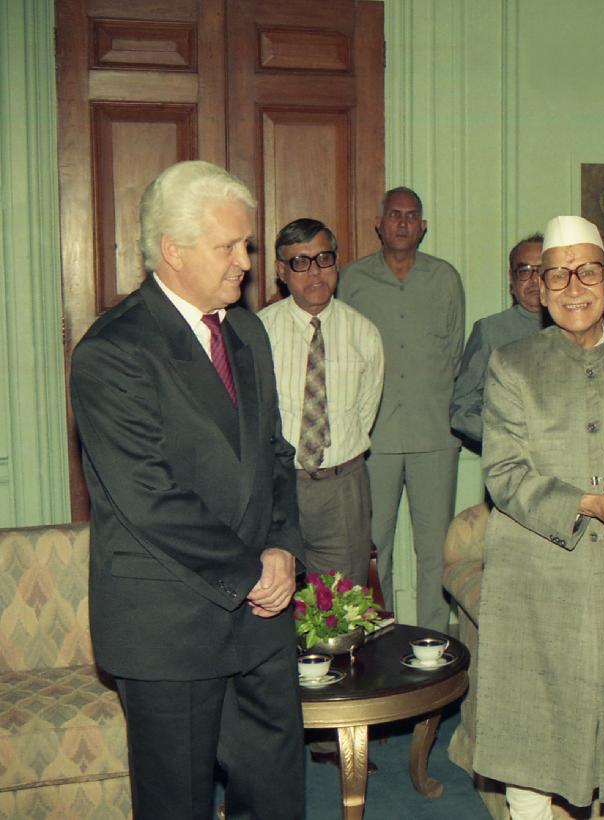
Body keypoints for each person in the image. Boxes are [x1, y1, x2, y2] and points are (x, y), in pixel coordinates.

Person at [70, 160, 305, 819]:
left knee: (276, 794)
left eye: (246, 244)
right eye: (228, 246)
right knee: (177, 804)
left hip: (261, 617)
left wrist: (283, 548)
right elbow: (150, 499)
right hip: (169, 624)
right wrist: (251, 570)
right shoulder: (112, 350)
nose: (245, 263)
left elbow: (275, 455)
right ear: (172, 250)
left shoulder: (247, 331)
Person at [472, 216, 604, 820]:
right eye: (557, 275)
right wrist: (587, 502)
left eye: (586, 272)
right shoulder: (511, 365)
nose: (573, 287)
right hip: (537, 581)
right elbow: (504, 474)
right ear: (540, 288)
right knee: (533, 746)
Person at [339, 186, 464, 631]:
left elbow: (453, 354)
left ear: (423, 226)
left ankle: (435, 644)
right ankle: (380, 641)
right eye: (395, 214)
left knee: (435, 551)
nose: (403, 222)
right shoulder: (352, 280)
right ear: (379, 223)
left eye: (412, 215)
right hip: (374, 439)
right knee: (375, 549)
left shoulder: (445, 278)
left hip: (435, 436)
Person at [259, 218, 383, 588]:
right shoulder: (259, 332)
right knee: (273, 597)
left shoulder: (363, 333)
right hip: (278, 488)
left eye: (323, 258)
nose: (314, 271)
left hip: (341, 489)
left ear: (336, 263)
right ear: (281, 271)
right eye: (300, 261)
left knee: (343, 603)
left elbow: (365, 413)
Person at [449, 232, 546, 446]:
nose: (534, 280)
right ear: (512, 280)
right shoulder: (490, 330)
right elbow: (462, 409)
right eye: (524, 271)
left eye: (542, 270)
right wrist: (506, 441)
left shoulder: (577, 328)